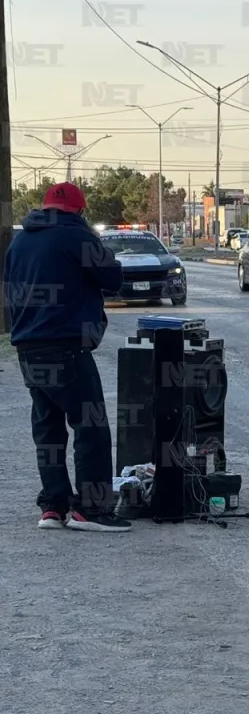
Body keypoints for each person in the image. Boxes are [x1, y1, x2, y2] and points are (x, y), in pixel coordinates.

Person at [2, 182, 131, 532]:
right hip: (67, 346)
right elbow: (113, 278)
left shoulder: (21, 241)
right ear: (78, 209)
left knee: (48, 430)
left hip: (28, 347)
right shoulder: (77, 236)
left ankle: (53, 506)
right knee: (90, 426)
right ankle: (91, 509)